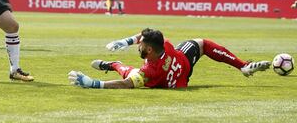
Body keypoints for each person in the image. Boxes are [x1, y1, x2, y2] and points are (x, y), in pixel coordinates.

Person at [68, 28, 270, 89]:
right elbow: (146, 35)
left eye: (140, 45)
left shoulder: (149, 72)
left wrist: (93, 83)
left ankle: (112, 64)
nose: (138, 44)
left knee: (128, 72)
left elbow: (124, 84)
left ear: (148, 49)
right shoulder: (165, 45)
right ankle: (243, 66)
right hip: (183, 63)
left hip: (166, 80)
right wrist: (126, 40)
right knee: (202, 43)